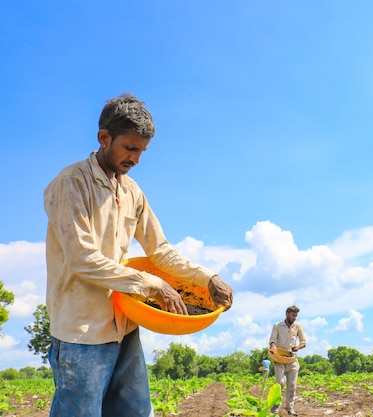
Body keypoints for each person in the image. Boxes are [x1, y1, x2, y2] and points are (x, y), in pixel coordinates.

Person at [44, 93, 233, 417]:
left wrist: (207, 277)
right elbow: (82, 258)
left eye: (142, 151)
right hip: (81, 331)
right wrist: (151, 284)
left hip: (124, 324)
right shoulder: (72, 183)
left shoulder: (132, 191)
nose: (136, 159)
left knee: (135, 412)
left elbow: (159, 250)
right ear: (104, 138)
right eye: (130, 148)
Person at [268, 305, 307, 416]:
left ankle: (290, 409)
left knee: (292, 385)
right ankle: (275, 407)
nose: (294, 318)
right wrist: (273, 346)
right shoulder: (277, 326)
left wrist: (298, 347)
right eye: (293, 315)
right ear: (287, 314)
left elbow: (303, 342)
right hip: (279, 358)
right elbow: (272, 340)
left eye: (296, 316)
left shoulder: (298, 326)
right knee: (280, 382)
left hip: (292, 359)